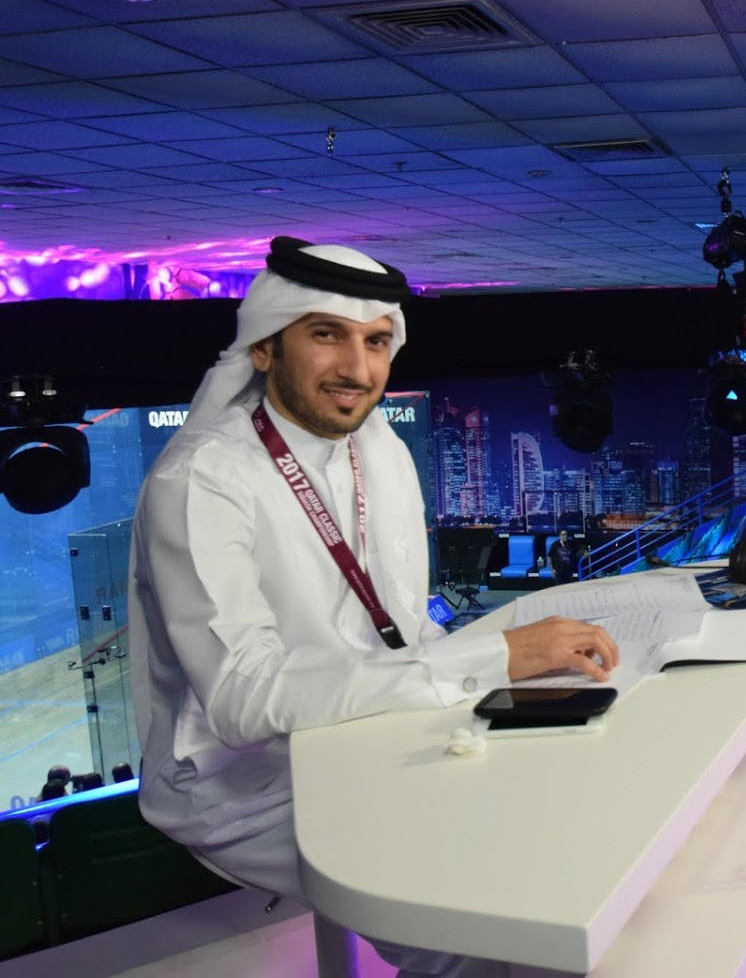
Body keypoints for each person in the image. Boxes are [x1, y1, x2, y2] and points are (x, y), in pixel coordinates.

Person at [130, 237, 619, 978]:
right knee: (478, 928)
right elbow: (242, 702)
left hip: (380, 723)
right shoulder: (201, 481)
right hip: (248, 784)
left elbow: (404, 630)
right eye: (327, 335)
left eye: (377, 342)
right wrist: (490, 658)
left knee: (555, 829)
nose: (357, 370)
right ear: (264, 347)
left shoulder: (380, 450)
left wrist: (507, 666)